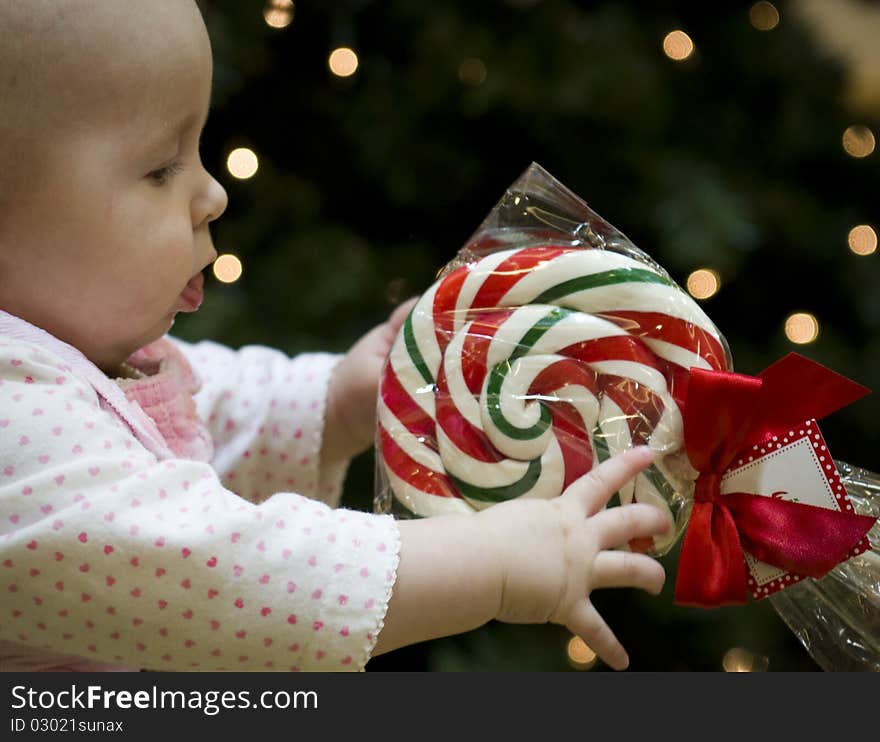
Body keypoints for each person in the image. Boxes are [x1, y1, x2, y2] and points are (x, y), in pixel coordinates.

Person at [0, 0, 669, 672]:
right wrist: (492, 563)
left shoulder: (82, 359)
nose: (212, 195)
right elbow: (216, 570)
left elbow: (218, 410)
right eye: (159, 168)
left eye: (198, 151)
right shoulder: (10, 418)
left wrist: (337, 401)